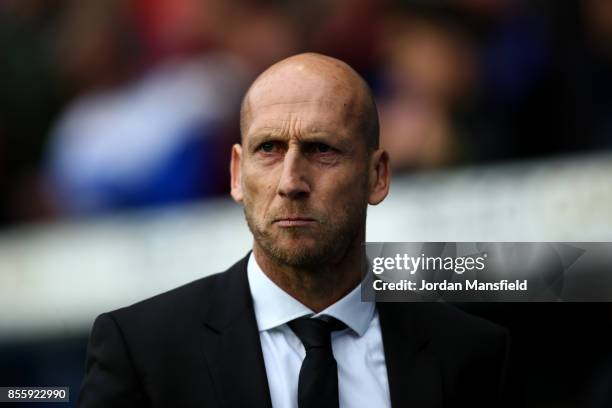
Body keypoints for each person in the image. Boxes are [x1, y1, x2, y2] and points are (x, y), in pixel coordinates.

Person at [78, 53, 509, 408]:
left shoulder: (470, 354)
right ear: (236, 173)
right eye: (268, 149)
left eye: (321, 149)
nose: (290, 182)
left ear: (376, 175)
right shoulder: (142, 350)